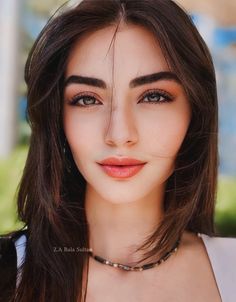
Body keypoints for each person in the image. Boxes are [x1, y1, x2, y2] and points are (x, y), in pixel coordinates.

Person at [0, 0, 236, 301]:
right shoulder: (9, 273)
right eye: (87, 99)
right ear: (58, 116)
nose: (119, 134)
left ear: (195, 111)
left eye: (153, 96)